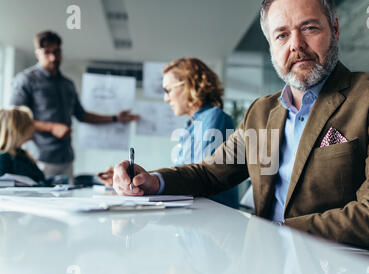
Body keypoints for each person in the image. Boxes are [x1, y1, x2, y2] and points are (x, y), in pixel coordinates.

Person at [112, 0, 369, 253]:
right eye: (282, 35)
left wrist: (272, 232)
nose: (296, 44)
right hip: (265, 271)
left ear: (334, 29)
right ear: (271, 48)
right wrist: (152, 181)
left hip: (337, 270)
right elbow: (210, 173)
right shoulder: (262, 113)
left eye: (309, 28)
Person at [98, 58, 239, 208]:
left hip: (214, 216)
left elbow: (198, 178)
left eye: (167, 90)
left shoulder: (213, 117)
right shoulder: (192, 126)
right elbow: (183, 174)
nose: (166, 99)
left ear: (189, 84)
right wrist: (134, 179)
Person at [9, 30, 140, 182]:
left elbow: (82, 115)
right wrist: (52, 127)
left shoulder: (68, 84)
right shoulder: (25, 80)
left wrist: (116, 118)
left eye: (56, 52)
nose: (53, 57)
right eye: (47, 52)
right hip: (39, 157)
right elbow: (16, 119)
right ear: (37, 54)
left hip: (66, 158)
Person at [0, 107, 46, 184]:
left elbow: (39, 179)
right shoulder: (4, 158)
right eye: (29, 124)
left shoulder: (22, 154)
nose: (33, 128)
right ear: (18, 129)